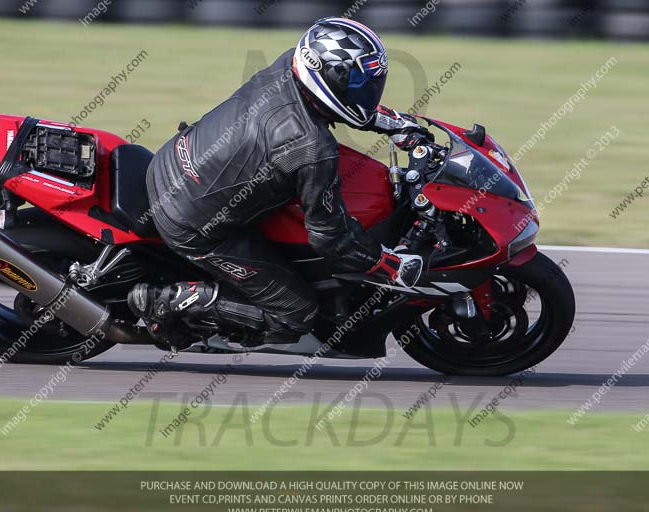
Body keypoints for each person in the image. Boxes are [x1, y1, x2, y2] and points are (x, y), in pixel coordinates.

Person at [128, 17, 431, 347]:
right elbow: (330, 238)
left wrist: (394, 124)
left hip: (175, 159)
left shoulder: (287, 65)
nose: (367, 91)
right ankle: (167, 300)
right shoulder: (312, 148)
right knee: (296, 313)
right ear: (325, 75)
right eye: (357, 81)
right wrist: (388, 265)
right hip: (191, 223)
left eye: (370, 82)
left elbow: (340, 100)